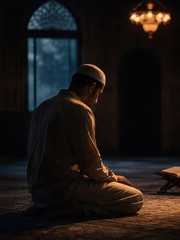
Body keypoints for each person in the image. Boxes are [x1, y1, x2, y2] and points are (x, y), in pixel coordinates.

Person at [26, 64, 143, 218]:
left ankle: (49, 205)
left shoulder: (43, 107)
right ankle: (72, 209)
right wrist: (115, 178)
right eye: (98, 93)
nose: (96, 101)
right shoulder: (79, 109)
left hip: (38, 192)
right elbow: (90, 164)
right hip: (62, 189)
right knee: (135, 198)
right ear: (92, 86)